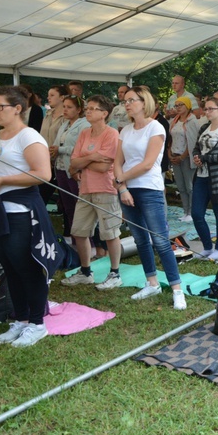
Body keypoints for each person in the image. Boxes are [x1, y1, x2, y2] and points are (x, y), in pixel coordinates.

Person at [0, 86, 64, 347]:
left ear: (17, 108)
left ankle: (38, 324)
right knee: (11, 269)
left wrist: (2, 180)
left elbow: (42, 174)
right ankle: (22, 320)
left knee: (26, 268)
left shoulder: (29, 137)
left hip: (22, 212)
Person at [114, 86, 186, 309]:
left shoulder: (155, 127)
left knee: (161, 240)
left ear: (144, 103)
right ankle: (151, 282)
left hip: (149, 189)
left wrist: (121, 180)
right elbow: (117, 161)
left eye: (131, 100)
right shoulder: (125, 131)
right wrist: (123, 187)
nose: (127, 104)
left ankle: (177, 289)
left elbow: (147, 163)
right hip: (127, 189)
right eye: (125, 100)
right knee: (140, 239)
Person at [63, 95, 122, 289]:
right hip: (85, 189)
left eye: (93, 108)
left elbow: (104, 168)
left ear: (104, 113)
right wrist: (94, 157)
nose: (88, 111)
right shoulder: (84, 133)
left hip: (106, 189)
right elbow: (73, 162)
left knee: (110, 233)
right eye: (87, 108)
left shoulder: (111, 134)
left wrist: (84, 161)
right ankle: (86, 271)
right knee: (79, 231)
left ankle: (115, 273)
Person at [191, 97, 218, 260]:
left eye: (211, 109)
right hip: (201, 177)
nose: (207, 112)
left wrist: (205, 158)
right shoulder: (204, 128)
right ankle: (207, 246)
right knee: (196, 213)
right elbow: (196, 147)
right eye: (206, 109)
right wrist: (197, 156)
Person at [51, 95, 90, 243]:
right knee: (68, 206)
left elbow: (83, 148)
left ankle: (89, 242)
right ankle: (75, 241)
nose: (65, 110)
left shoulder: (84, 125)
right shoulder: (64, 124)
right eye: (64, 106)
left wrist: (60, 149)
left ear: (79, 110)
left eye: (69, 107)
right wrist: (53, 150)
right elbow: (56, 143)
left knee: (80, 206)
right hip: (60, 168)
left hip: (75, 170)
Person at [168, 96, 199, 221]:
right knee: (180, 186)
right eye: (176, 105)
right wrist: (169, 153)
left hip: (186, 157)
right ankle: (185, 211)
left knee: (189, 186)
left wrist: (183, 156)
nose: (178, 108)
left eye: (181, 105)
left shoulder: (192, 121)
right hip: (175, 155)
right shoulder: (174, 121)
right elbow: (170, 138)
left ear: (188, 106)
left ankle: (191, 212)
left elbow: (192, 141)